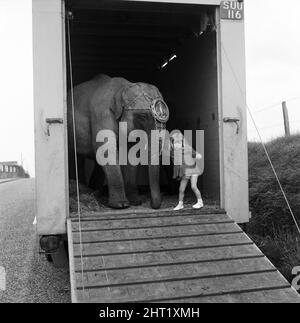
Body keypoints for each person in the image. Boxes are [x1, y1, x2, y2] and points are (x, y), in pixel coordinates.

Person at [171, 132, 204, 211]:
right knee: (181, 189)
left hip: (193, 170)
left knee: (193, 186)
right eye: (175, 143)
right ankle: (180, 204)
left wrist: (197, 155)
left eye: (179, 143)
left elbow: (196, 154)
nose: (177, 145)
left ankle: (200, 202)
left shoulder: (187, 148)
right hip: (185, 172)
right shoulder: (174, 153)